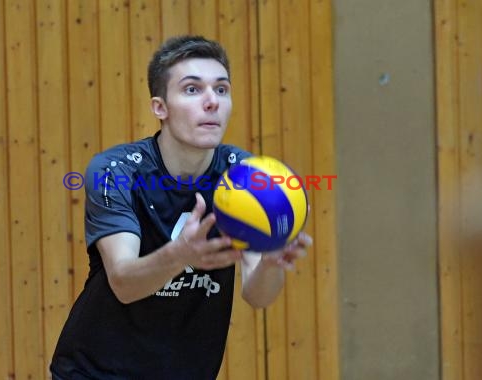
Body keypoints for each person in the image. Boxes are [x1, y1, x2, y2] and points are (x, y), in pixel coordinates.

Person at [50, 35, 312, 380]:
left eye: (221, 90)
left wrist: (270, 262)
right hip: (96, 372)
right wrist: (180, 255)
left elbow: (258, 296)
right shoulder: (116, 171)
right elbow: (123, 283)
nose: (211, 102)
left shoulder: (246, 175)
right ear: (160, 107)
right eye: (192, 90)